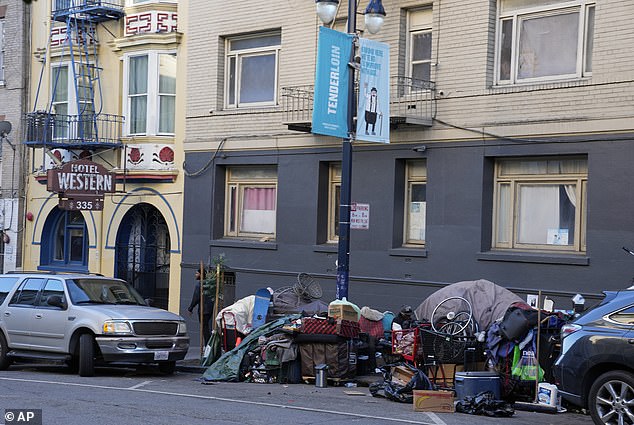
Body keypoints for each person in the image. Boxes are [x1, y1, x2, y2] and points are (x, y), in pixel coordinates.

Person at [187, 269, 214, 344]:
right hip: (210, 309)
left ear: (201, 274)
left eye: (197, 273)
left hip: (203, 309)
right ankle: (208, 345)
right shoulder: (209, 284)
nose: (195, 275)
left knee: (204, 328)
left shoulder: (199, 284)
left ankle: (207, 345)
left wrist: (190, 308)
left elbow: (196, 297)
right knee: (206, 327)